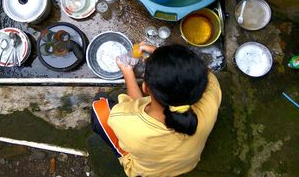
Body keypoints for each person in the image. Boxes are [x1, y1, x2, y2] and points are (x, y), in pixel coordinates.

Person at [91, 43, 222, 177]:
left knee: (99, 109)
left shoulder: (123, 120)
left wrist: (127, 71)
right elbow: (204, 75)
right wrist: (166, 59)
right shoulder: (209, 100)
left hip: (146, 172)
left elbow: (134, 106)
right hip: (187, 165)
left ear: (145, 88)